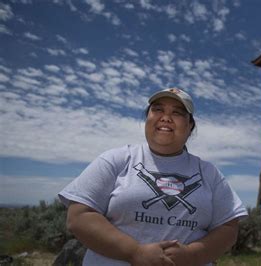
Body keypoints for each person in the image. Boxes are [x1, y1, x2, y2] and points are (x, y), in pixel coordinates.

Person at [58, 88, 248, 266]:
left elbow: (228, 228)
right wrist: (135, 252)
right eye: (157, 110)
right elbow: (79, 216)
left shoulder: (209, 173)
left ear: (190, 126)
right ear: (147, 118)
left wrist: (193, 255)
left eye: (177, 113)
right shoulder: (116, 159)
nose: (166, 118)